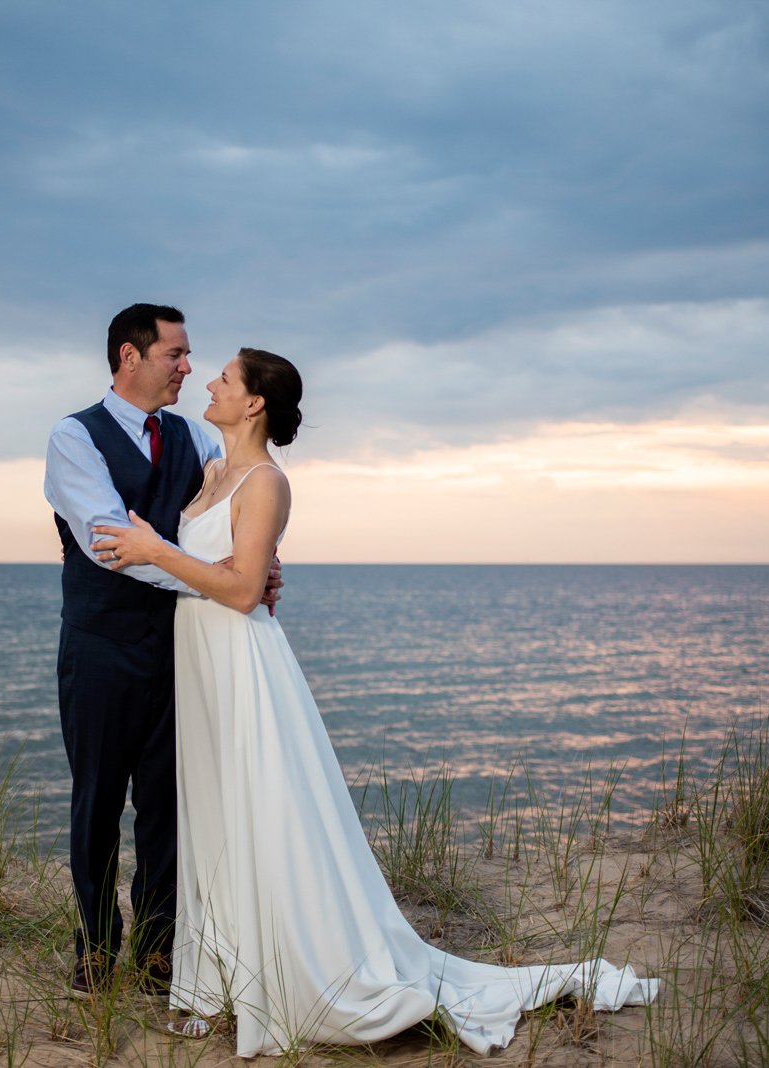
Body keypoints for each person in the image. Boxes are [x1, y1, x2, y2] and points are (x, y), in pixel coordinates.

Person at [91, 348, 659, 1057]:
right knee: (214, 818)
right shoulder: (212, 470)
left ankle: (293, 976)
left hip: (242, 661)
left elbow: (239, 591)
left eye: (226, 379)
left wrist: (152, 547)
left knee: (261, 814)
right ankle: (216, 983)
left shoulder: (267, 481)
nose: (209, 381)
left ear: (255, 402)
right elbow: (235, 569)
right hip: (201, 663)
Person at [44, 304, 280, 999]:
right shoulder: (73, 438)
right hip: (101, 649)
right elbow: (112, 542)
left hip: (181, 646)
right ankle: (93, 947)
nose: (187, 368)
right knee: (95, 805)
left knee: (168, 806)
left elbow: (231, 507)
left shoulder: (189, 438)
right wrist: (220, 579)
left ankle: (156, 952)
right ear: (130, 357)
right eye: (175, 354)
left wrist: (261, 562)